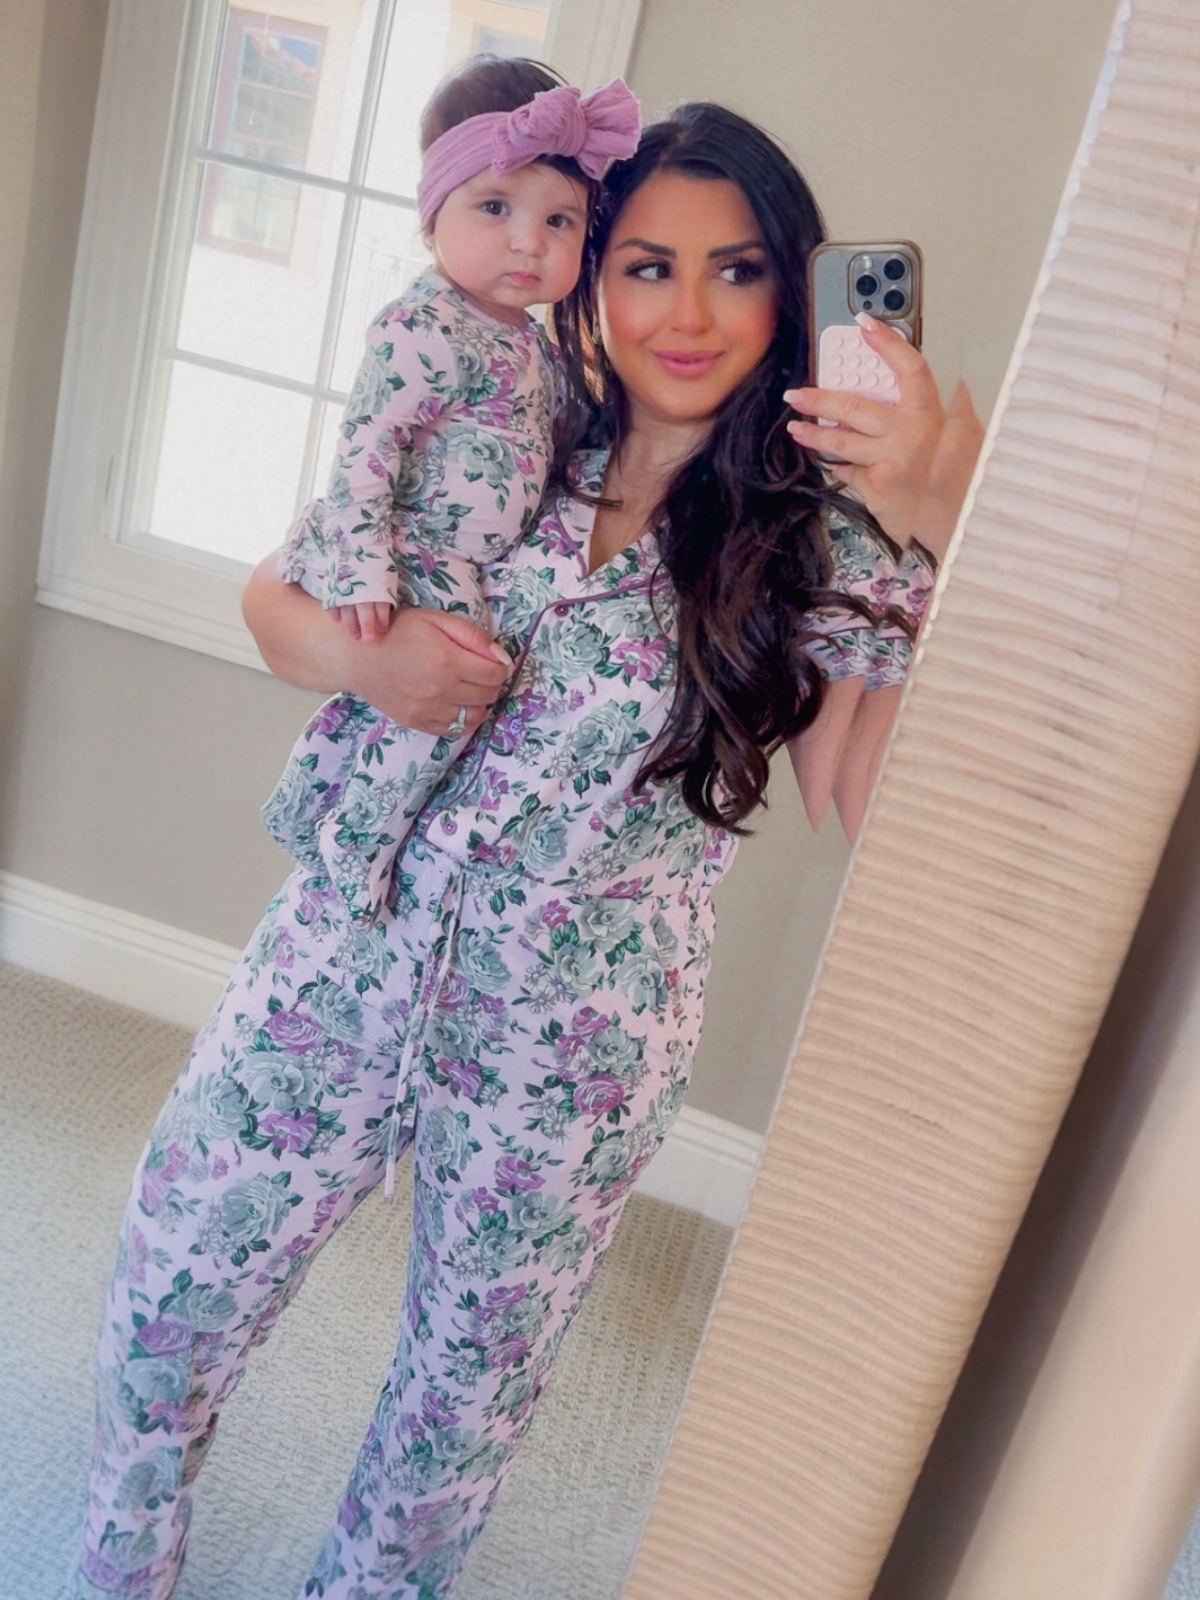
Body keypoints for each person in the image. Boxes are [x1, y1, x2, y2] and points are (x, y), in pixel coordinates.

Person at [71, 102, 982, 1600]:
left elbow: (878, 801)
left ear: (791, 289)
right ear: (592, 278)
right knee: (169, 1288)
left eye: (738, 269)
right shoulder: (506, 412)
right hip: (345, 956)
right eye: (643, 265)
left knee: (457, 1409)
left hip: (567, 1048)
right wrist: (370, 668)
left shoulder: (827, 540)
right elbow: (275, 600)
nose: (686, 313)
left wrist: (948, 518)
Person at [264, 59, 640, 926]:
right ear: (435, 216)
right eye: (496, 209)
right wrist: (364, 571)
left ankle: (306, 806)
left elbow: (549, 440)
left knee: (404, 713)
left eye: (560, 220)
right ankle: (352, 847)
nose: (528, 242)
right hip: (411, 549)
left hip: (466, 562)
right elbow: (365, 449)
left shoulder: (534, 346)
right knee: (445, 703)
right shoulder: (422, 326)